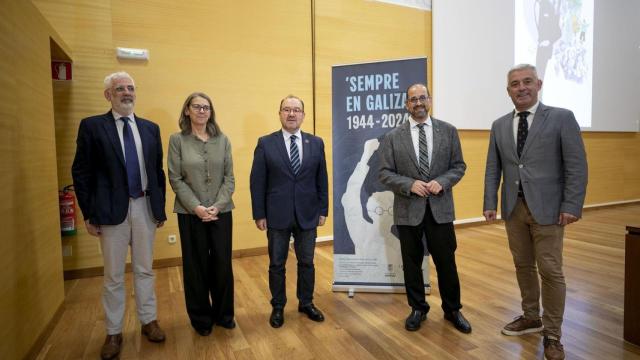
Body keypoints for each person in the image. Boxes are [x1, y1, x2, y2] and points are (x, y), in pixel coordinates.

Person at [483, 64, 587, 360]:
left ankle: (552, 335)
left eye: (527, 81)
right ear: (508, 91)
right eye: (515, 84)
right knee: (523, 265)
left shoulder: (561, 118)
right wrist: (490, 201)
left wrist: (571, 205)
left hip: (550, 210)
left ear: (538, 84)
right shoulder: (500, 124)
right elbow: (494, 167)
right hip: (513, 209)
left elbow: (576, 166)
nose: (521, 88)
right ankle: (531, 316)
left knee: (551, 271)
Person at [71, 71, 167, 360]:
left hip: (144, 208)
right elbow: (81, 171)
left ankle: (148, 321)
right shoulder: (92, 127)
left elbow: (157, 171)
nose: (127, 92)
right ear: (108, 95)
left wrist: (158, 208)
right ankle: (113, 331)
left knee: (145, 268)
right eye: (120, 88)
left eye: (131, 88)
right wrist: (88, 213)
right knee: (113, 275)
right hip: (110, 211)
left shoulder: (150, 128)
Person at [379, 83, 471, 334]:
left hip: (440, 209)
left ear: (429, 100)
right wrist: (409, 184)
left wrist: (442, 182)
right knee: (411, 262)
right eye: (413, 99)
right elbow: (385, 173)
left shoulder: (448, 131)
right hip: (408, 209)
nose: (418, 103)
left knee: (446, 261)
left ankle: (453, 309)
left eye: (422, 98)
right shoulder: (392, 137)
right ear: (406, 104)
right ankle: (418, 308)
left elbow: (459, 166)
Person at [250, 95, 329, 328]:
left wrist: (323, 209)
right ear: (280, 113)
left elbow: (321, 179)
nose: (292, 114)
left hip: (308, 213)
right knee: (277, 264)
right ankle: (278, 306)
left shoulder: (316, 143)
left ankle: (306, 303)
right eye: (287, 109)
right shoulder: (265, 143)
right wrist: (259, 214)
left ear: (303, 115)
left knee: (307, 262)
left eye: (296, 110)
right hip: (277, 214)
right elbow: (257, 182)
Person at [167, 92, 235, 336]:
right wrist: (196, 207)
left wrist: (217, 205)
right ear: (187, 110)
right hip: (189, 213)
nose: (202, 111)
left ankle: (224, 315)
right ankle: (201, 319)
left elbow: (229, 178)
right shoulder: (177, 140)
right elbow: (175, 178)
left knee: (222, 264)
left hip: (221, 211)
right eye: (196, 107)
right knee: (196, 267)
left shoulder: (223, 140)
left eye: (206, 107)